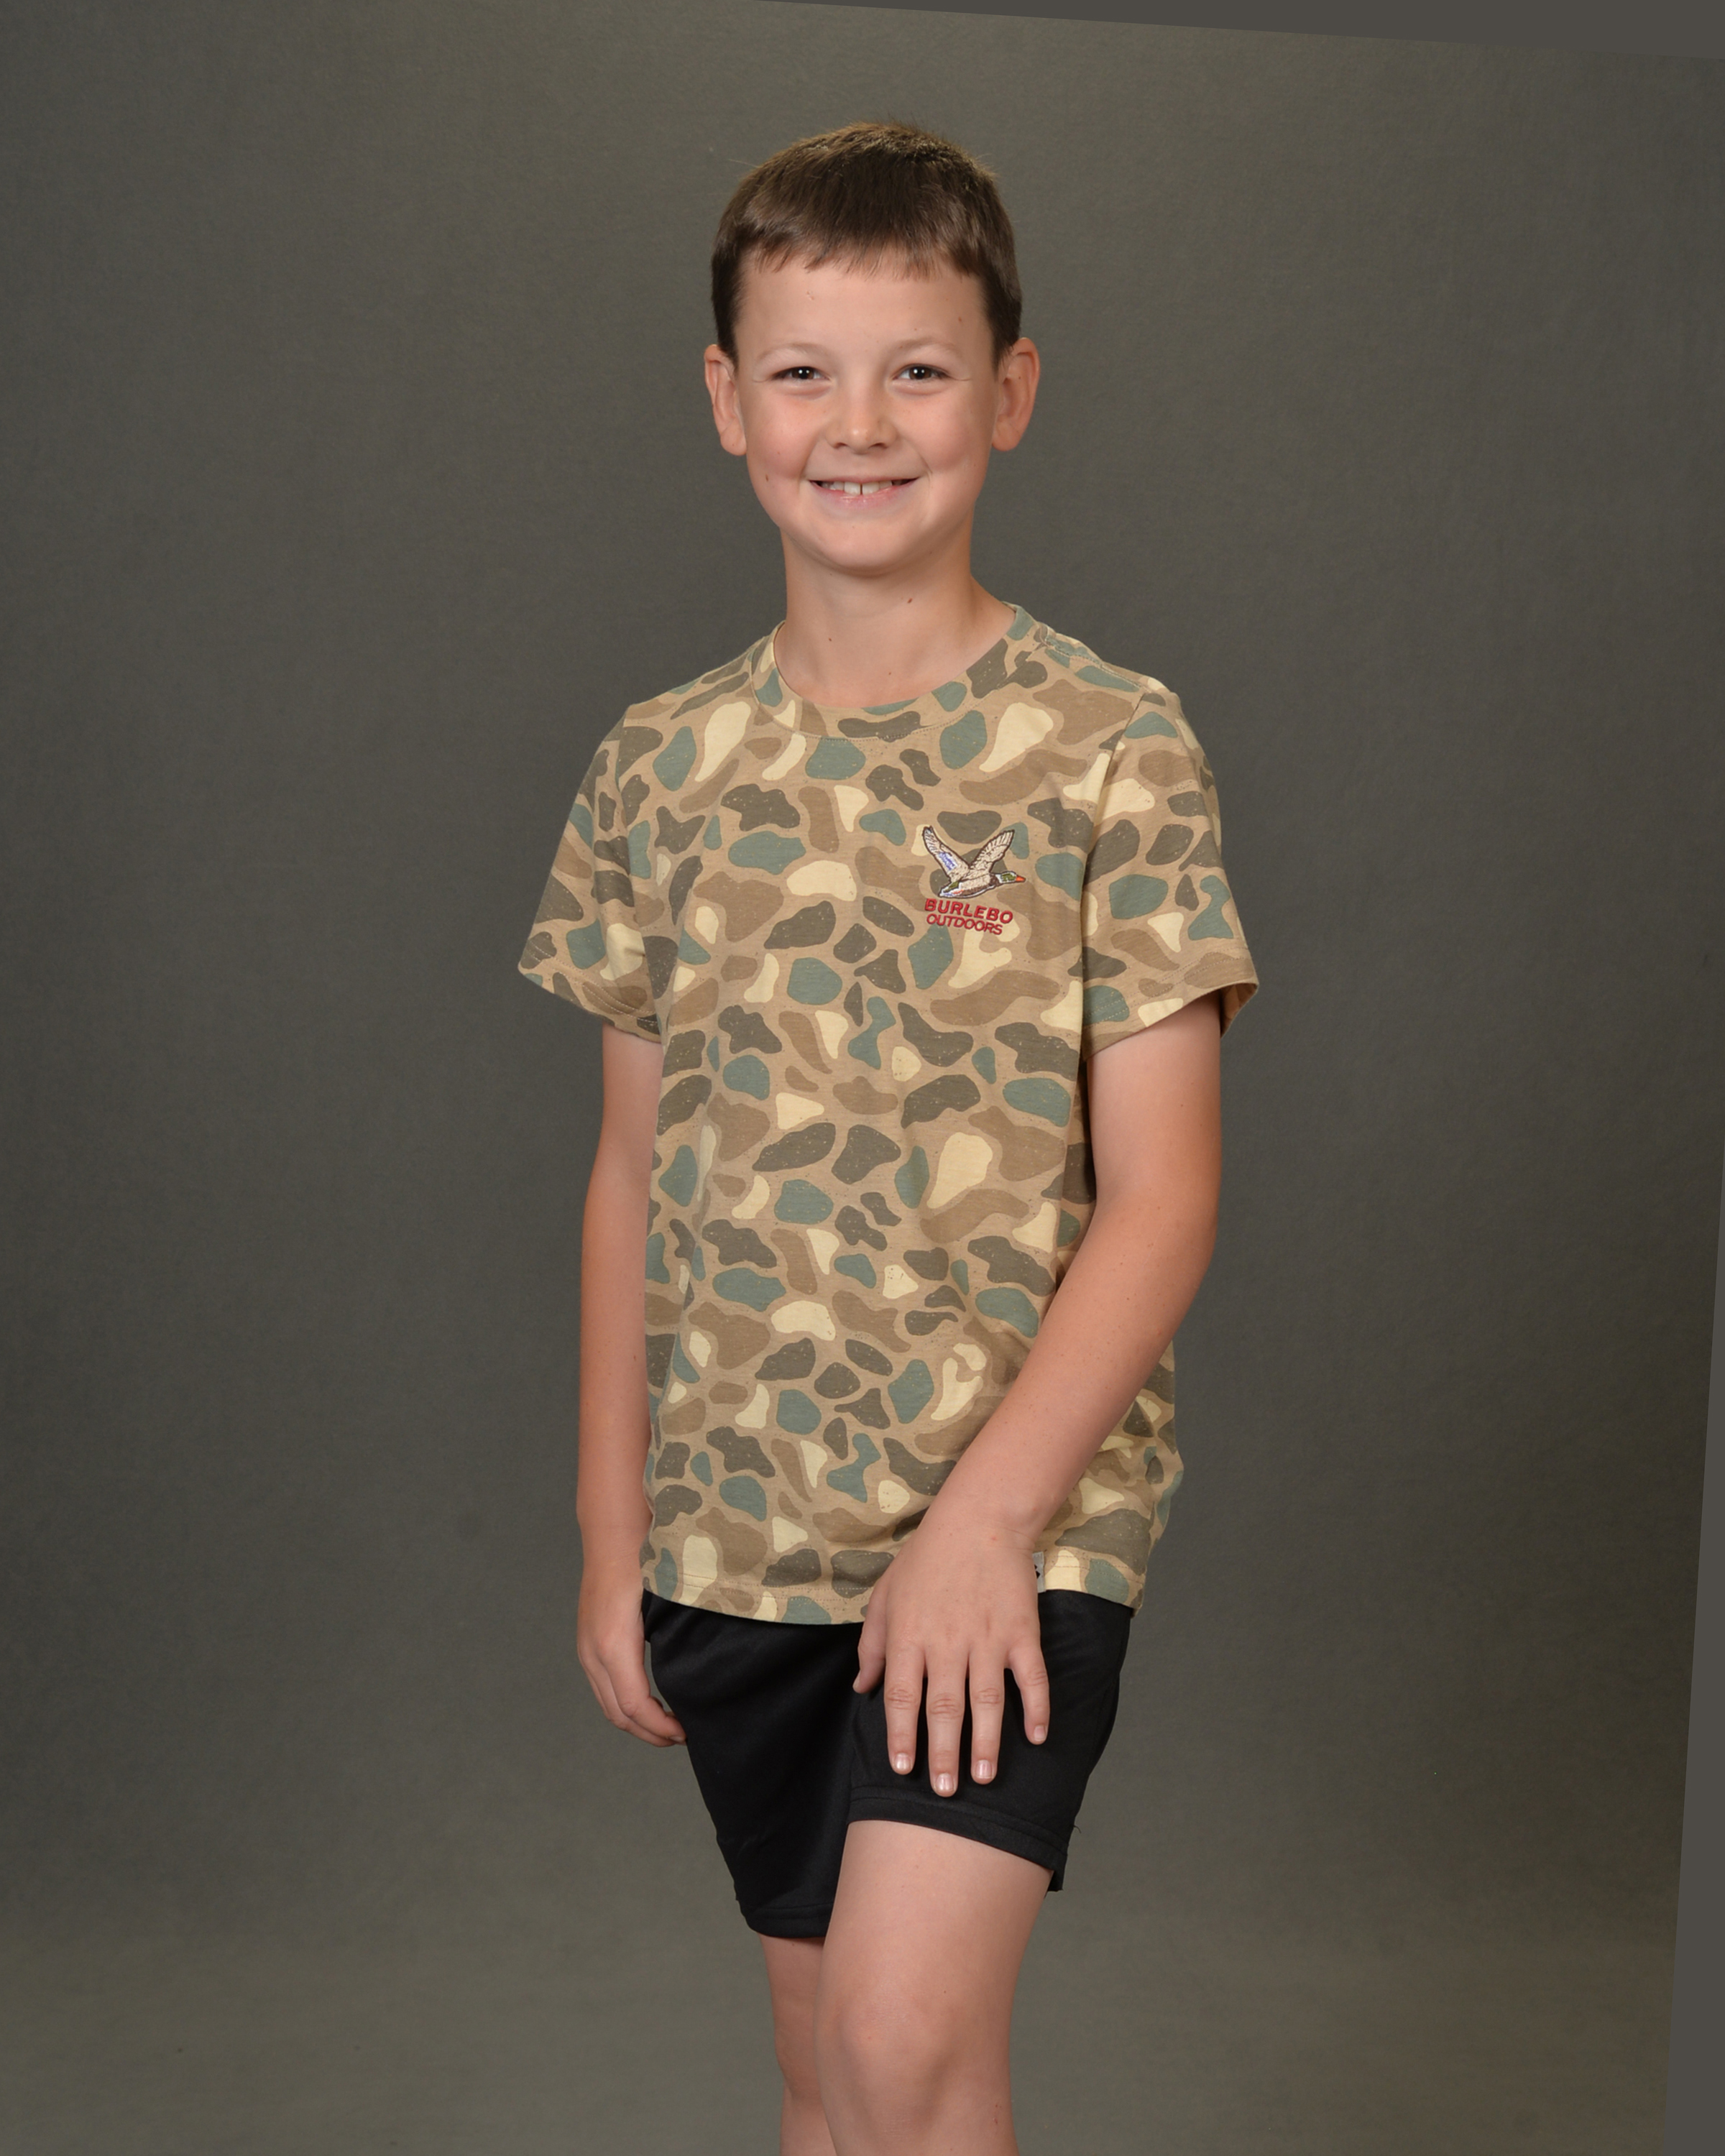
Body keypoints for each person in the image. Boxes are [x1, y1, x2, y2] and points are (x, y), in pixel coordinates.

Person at [518, 119, 1257, 2156]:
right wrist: (610, 1534)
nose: (858, 424)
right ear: (725, 400)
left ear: (1009, 391)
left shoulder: (1112, 748)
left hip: (1013, 1525)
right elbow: (630, 1177)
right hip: (739, 1532)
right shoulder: (660, 767)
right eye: (804, 372)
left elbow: (1167, 1196)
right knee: (828, 2083)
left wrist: (983, 1529)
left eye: (918, 370)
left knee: (905, 2056)